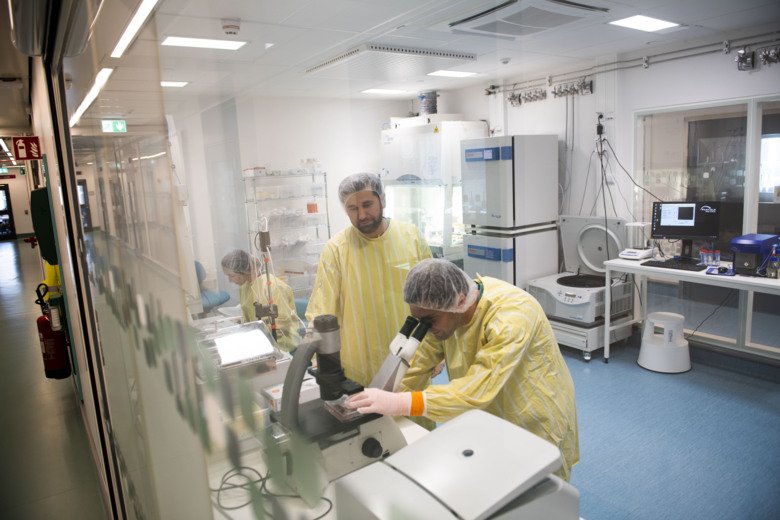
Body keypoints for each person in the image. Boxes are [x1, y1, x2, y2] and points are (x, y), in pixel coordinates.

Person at [346, 258, 580, 481]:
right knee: (496, 486)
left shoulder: (511, 317)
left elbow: (474, 393)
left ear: (459, 301)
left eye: (430, 320)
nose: (426, 328)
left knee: (539, 496)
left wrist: (399, 403)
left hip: (532, 419)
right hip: (489, 417)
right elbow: (416, 366)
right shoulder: (446, 311)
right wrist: (376, 403)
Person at [306, 173, 432, 388]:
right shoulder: (336, 250)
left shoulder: (410, 237)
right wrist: (319, 358)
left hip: (412, 358)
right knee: (368, 409)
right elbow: (322, 311)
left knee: (412, 407)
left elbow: (432, 298)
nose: (362, 215)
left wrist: (436, 350)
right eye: (353, 208)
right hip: (359, 363)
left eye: (367, 205)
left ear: (382, 199)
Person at [221, 249, 302, 352]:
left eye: (231, 276)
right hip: (259, 338)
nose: (230, 280)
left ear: (243, 271)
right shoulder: (245, 286)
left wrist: (254, 333)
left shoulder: (272, 287)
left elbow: (282, 322)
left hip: (281, 343)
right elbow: (249, 314)